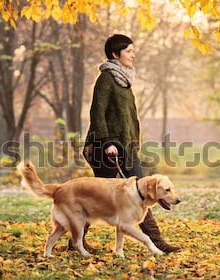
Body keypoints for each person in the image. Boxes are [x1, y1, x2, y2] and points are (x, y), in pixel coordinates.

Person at [77, 33, 180, 254]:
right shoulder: (106, 79)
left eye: (133, 50)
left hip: (128, 149)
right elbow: (97, 113)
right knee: (97, 197)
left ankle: (157, 240)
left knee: (143, 191)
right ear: (116, 54)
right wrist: (106, 143)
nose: (133, 55)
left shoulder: (124, 80)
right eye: (129, 51)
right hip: (108, 149)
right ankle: (76, 240)